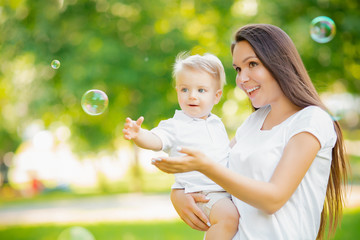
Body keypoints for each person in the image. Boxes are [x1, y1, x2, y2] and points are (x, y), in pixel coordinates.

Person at [151, 24, 350, 240]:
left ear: (279, 63)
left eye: (252, 64)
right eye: (238, 69)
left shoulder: (311, 119)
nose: (241, 79)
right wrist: (179, 192)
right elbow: (219, 167)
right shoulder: (253, 122)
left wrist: (205, 167)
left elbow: (273, 199)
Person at [123, 52, 239, 239]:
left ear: (216, 96)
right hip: (203, 192)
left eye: (201, 90)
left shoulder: (216, 123)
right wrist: (139, 135)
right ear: (177, 91)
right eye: (185, 90)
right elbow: (156, 140)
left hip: (226, 189)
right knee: (229, 218)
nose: (192, 96)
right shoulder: (175, 125)